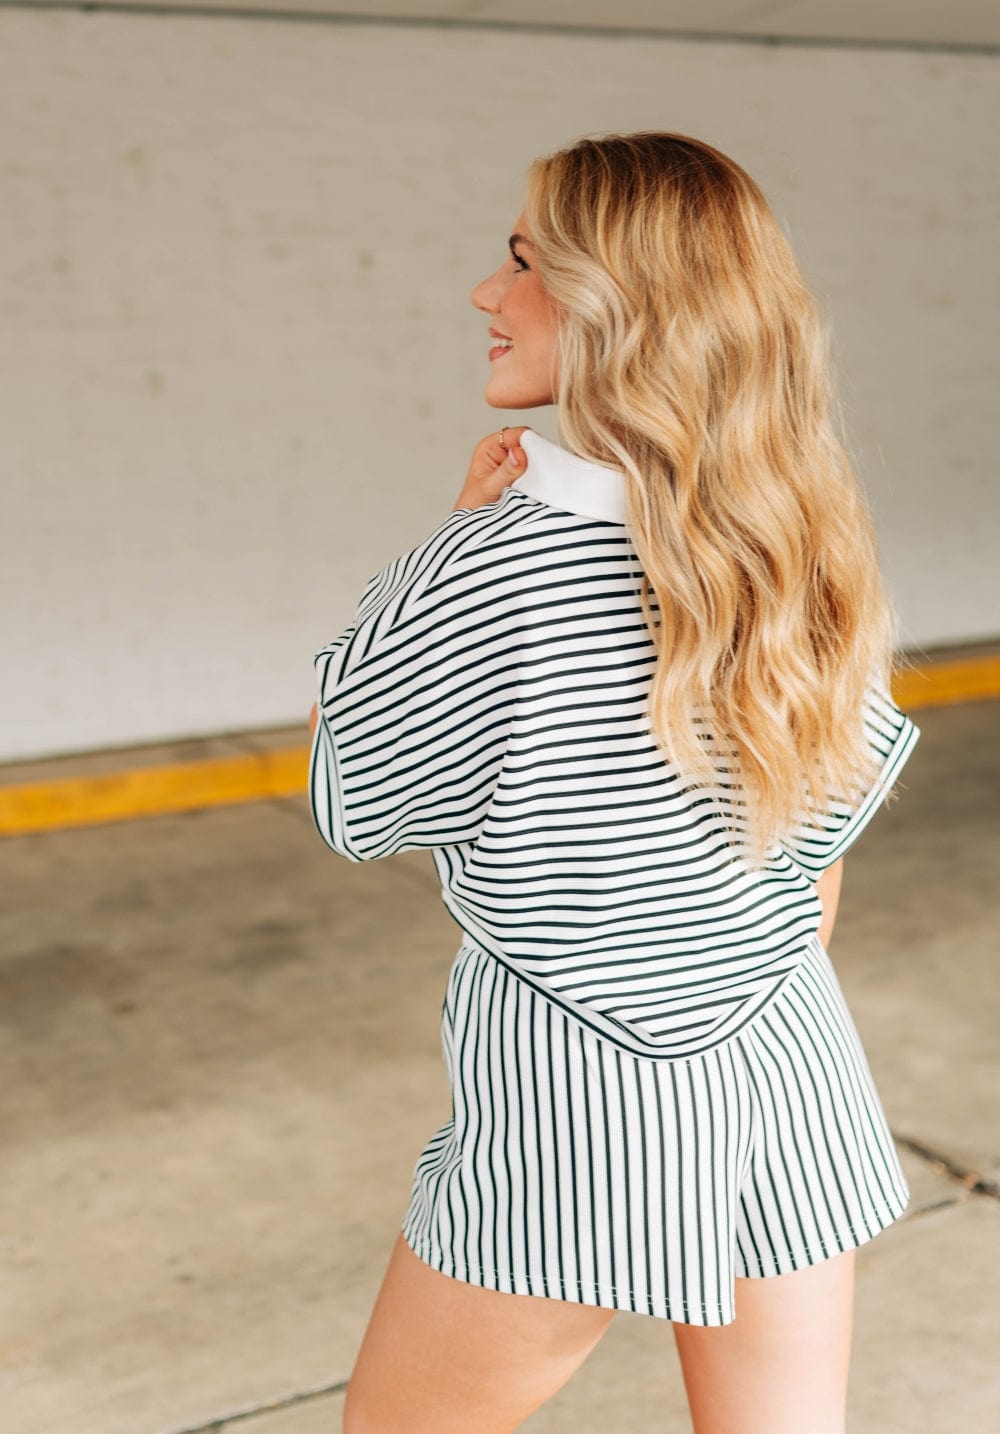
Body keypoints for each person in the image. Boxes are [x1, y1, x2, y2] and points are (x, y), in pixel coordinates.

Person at [307, 131, 922, 1433]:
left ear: (616, 302)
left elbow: (352, 785)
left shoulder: (500, 565)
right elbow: (817, 863)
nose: (487, 291)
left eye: (525, 261)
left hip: (576, 1096)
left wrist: (451, 542)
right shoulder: (796, 541)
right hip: (789, 1064)